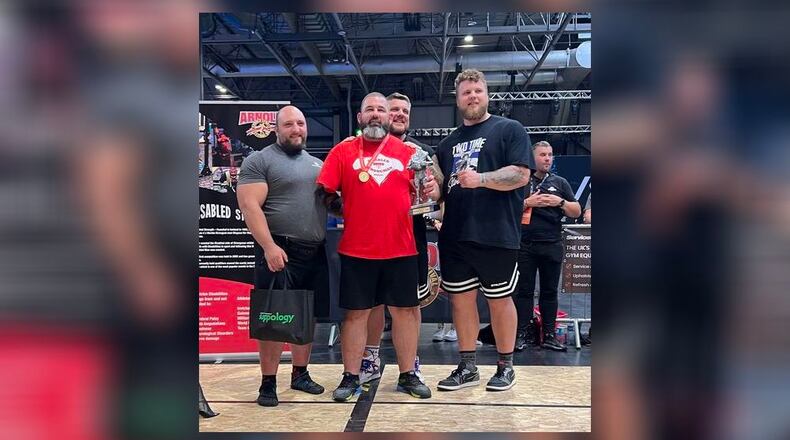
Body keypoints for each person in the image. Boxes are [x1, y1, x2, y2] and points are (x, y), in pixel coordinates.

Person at [423, 69, 534, 392]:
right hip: (455, 235)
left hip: (496, 232)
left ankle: (505, 365)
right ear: (457, 100)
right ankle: (468, 366)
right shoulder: (446, 144)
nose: (472, 96)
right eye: (466, 92)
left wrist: (482, 178)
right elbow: (441, 193)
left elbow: (521, 175)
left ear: (487, 95)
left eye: (477, 91)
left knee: (500, 300)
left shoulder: (509, 129)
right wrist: (431, 190)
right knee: (461, 302)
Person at [317, 92, 431, 401]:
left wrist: (431, 189)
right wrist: (350, 211)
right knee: (355, 316)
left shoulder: (408, 153)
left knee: (406, 312)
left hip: (402, 248)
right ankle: (351, 377)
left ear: (389, 116)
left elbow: (426, 194)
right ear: (360, 117)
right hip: (357, 249)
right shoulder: (343, 151)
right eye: (370, 109)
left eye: (381, 109)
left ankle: (408, 375)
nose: (376, 114)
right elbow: (324, 192)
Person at [237, 105, 329, 407]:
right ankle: (268, 382)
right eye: (289, 124)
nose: (296, 129)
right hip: (278, 250)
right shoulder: (259, 161)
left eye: (301, 123)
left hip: (313, 251)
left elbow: (331, 203)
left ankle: (300, 374)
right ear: (277, 129)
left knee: (307, 315)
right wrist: (268, 247)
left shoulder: (318, 164)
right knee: (274, 317)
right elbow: (250, 207)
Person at [358, 92, 434, 385]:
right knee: (374, 302)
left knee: (409, 304)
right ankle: (371, 357)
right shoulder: (363, 149)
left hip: (409, 238)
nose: (400, 114)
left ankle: (410, 362)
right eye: (394, 110)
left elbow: (436, 192)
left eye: (405, 110)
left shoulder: (422, 151)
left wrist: (430, 188)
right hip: (372, 238)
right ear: (384, 115)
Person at [513, 141, 582, 352]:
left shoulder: (560, 183)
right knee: (524, 291)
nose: (547, 159)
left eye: (550, 155)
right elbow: (505, 209)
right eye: (543, 154)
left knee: (550, 291)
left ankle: (549, 334)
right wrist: (527, 203)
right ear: (533, 158)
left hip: (551, 244)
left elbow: (576, 211)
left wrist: (559, 202)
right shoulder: (522, 181)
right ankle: (522, 333)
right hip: (525, 244)